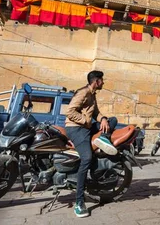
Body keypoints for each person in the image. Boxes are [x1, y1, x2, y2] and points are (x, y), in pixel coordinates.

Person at [65, 71, 118, 218]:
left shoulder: (93, 94)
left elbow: (96, 113)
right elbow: (70, 111)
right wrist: (86, 121)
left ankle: (103, 139)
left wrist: (103, 119)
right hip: (76, 129)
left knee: (113, 120)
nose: (104, 83)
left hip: (87, 128)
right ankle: (79, 202)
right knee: (87, 159)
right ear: (96, 81)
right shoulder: (83, 93)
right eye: (102, 80)